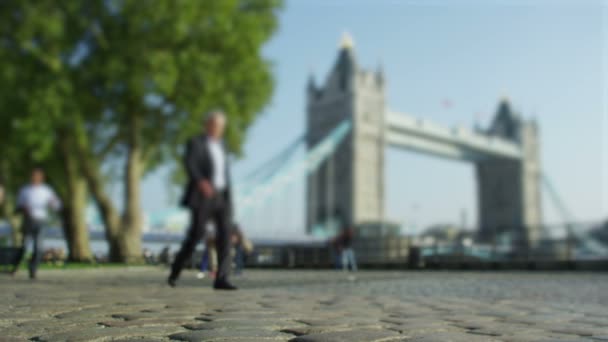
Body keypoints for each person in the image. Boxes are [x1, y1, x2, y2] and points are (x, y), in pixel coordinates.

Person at [168, 110, 237, 290]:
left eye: (221, 126)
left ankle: (222, 279)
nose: (218, 129)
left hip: (222, 196)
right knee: (196, 235)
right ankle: (175, 271)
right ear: (207, 125)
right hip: (203, 196)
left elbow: (224, 174)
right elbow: (190, 163)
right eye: (215, 125)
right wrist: (200, 182)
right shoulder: (196, 143)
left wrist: (229, 198)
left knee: (225, 236)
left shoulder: (223, 146)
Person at [12, 168, 61, 279]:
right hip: (28, 220)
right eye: (34, 176)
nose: (35, 178)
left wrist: (53, 203)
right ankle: (16, 266)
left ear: (41, 178)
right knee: (24, 246)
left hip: (41, 221)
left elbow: (56, 205)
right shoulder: (25, 190)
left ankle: (33, 269)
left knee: (38, 247)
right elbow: (18, 206)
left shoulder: (46, 190)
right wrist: (23, 208)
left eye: (38, 176)